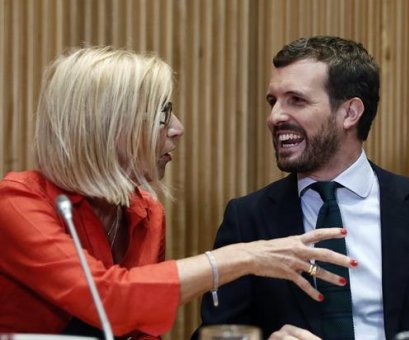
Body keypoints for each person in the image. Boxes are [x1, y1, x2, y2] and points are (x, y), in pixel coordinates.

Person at [0, 47, 356, 339]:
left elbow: (140, 329)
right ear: (109, 125)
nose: (178, 129)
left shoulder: (146, 212)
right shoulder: (16, 203)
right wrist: (244, 257)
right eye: (162, 114)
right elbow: (107, 298)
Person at [195, 36, 409, 340]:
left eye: (296, 100)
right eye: (273, 101)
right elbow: (214, 334)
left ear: (350, 113)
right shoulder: (247, 219)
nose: (274, 117)